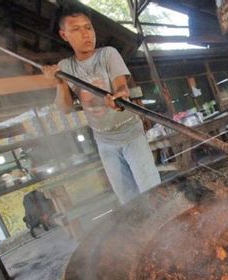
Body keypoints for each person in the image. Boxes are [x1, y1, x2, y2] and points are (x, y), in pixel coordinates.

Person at [42, 10, 160, 204]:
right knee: (128, 201)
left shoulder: (108, 54)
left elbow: (121, 85)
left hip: (130, 133)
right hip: (105, 142)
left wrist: (120, 95)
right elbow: (65, 109)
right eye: (76, 29)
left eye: (88, 28)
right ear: (64, 35)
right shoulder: (65, 67)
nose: (85, 34)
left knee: (152, 190)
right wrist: (59, 82)